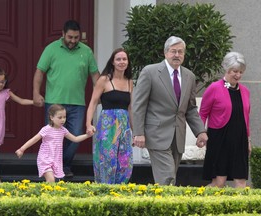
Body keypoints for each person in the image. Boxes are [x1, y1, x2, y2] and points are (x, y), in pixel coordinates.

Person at [132, 36, 208, 185]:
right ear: (165, 53)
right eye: (173, 51)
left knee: (169, 178)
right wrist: (138, 133)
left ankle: (159, 204)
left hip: (178, 136)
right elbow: (139, 104)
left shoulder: (189, 76)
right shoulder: (150, 72)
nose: (177, 55)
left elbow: (190, 108)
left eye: (180, 52)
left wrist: (200, 131)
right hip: (157, 134)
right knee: (167, 177)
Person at [33, 20, 99, 177]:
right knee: (51, 137)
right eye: (70, 37)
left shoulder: (87, 51)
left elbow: (95, 75)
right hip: (54, 102)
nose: (73, 41)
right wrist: (36, 93)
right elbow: (39, 72)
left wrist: (100, 94)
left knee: (75, 135)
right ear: (63, 34)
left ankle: (63, 165)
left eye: (76, 37)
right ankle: (52, 168)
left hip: (77, 103)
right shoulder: (51, 49)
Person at [199, 52, 251, 188]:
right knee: (219, 182)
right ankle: (203, 204)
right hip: (219, 139)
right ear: (227, 69)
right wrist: (200, 134)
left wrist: (248, 140)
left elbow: (246, 117)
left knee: (241, 181)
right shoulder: (214, 88)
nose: (238, 75)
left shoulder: (245, 91)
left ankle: (241, 209)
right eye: (235, 71)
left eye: (241, 72)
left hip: (240, 140)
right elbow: (202, 113)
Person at [86, 48, 133, 184]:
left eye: (124, 59)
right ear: (112, 62)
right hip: (108, 126)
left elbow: (130, 108)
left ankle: (120, 192)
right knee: (107, 159)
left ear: (128, 62)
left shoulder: (130, 82)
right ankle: (105, 190)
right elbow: (93, 103)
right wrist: (88, 124)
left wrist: (135, 131)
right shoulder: (104, 80)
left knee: (125, 161)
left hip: (124, 127)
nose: (121, 62)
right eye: (118, 59)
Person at [15, 104, 94, 182]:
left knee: (54, 181)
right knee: (51, 179)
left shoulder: (63, 130)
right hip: (45, 158)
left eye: (64, 117)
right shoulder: (46, 129)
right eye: (60, 117)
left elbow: (75, 139)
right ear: (51, 117)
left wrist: (87, 135)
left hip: (56, 159)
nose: (63, 120)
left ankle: (47, 194)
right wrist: (22, 149)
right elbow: (34, 139)